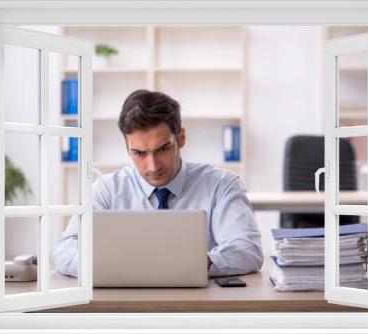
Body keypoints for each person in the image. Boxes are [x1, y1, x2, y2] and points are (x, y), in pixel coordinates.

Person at [53, 89, 263, 277]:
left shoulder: (221, 185)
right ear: (127, 147)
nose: (152, 166)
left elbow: (248, 249)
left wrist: (194, 264)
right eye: (139, 153)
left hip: (198, 308)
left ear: (181, 138)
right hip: (126, 307)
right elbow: (65, 249)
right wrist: (108, 265)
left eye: (163, 149)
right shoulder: (107, 189)